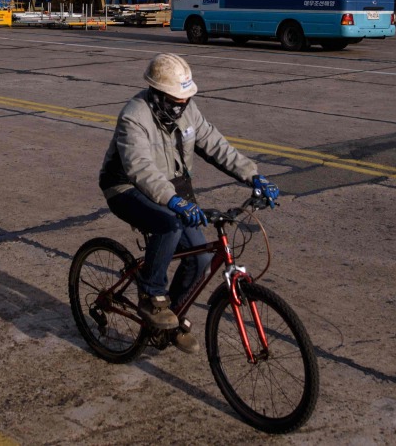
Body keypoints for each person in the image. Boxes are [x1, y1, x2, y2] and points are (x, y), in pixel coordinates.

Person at [98, 53, 278, 354]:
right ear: (156, 94)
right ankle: (153, 298)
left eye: (185, 99)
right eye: (175, 99)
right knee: (167, 224)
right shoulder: (134, 115)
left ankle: (170, 321)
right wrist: (173, 201)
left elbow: (216, 145)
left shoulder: (187, 110)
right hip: (126, 187)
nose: (181, 105)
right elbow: (140, 167)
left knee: (200, 259)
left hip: (173, 188)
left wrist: (253, 176)